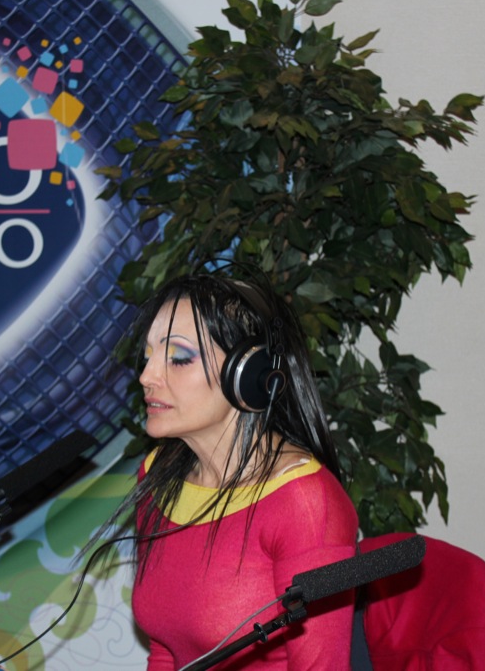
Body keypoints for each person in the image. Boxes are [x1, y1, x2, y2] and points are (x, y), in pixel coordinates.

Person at [111, 271, 359, 670]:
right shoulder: (159, 476)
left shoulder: (305, 503)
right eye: (148, 356)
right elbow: (165, 650)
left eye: (178, 358)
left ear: (247, 374)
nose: (147, 376)